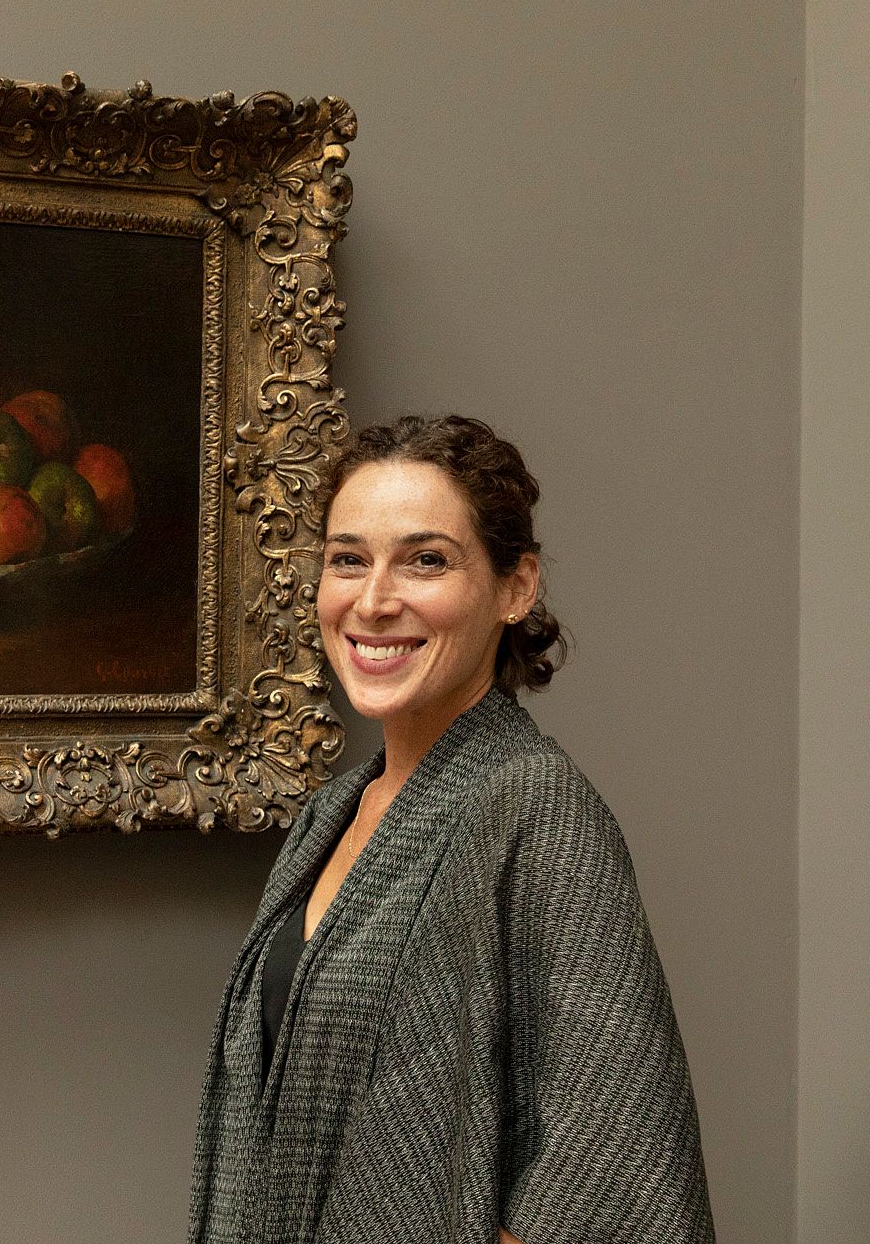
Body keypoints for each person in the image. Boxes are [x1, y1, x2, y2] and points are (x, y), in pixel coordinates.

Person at [188, 414, 715, 1244]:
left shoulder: (534, 805)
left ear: (516, 586)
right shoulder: (330, 817)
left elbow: (616, 1157)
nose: (374, 599)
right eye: (348, 559)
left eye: (426, 560)